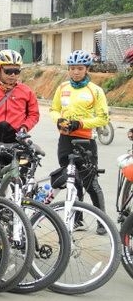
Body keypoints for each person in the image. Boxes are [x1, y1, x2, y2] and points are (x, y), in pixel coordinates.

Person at [49, 49, 110, 234]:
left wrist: (80, 123)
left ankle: (102, 222)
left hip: (85, 141)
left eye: (80, 68)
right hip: (65, 140)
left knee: (90, 182)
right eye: (72, 68)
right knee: (72, 181)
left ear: (87, 69)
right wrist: (58, 120)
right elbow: (54, 109)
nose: (75, 72)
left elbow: (103, 118)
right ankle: (78, 220)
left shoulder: (95, 90)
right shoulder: (62, 88)